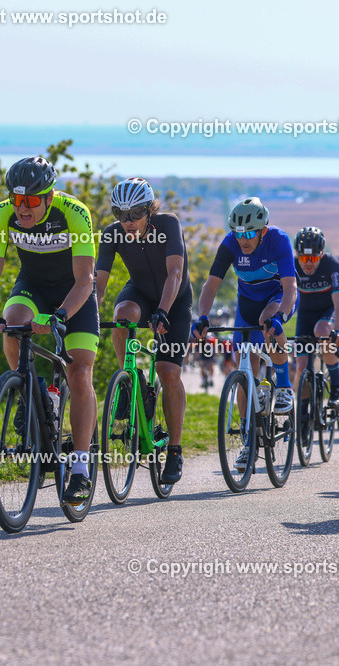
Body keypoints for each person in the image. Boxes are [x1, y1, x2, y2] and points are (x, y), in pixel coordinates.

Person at [0, 156, 99, 504]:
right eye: (17, 200)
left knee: (79, 374)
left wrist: (59, 315)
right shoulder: (2, 214)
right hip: (32, 286)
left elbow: (85, 279)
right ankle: (29, 388)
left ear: (49, 196)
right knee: (11, 321)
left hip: (74, 294)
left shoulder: (73, 212)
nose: (22, 209)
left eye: (31, 201)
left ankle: (79, 470)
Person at [95, 177, 193, 484]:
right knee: (122, 313)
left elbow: (175, 273)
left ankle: (174, 451)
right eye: (119, 214)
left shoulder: (168, 224)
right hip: (139, 292)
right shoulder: (112, 234)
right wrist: (89, 312)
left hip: (174, 301)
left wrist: (163, 310)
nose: (127, 221)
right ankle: (132, 382)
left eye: (134, 213)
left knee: (168, 371)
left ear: (150, 210)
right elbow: (98, 282)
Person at [194, 197, 297, 470]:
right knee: (243, 369)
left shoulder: (279, 240)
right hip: (247, 302)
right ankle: (248, 440)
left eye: (250, 233)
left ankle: (284, 385)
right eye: (239, 233)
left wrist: (281, 316)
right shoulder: (230, 243)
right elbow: (211, 285)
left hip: (277, 297)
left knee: (267, 321)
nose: (243, 239)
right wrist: (202, 316)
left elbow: (290, 288)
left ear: (263, 230)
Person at [291, 227, 339, 416]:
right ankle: (304, 412)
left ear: (321, 254)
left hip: (326, 311)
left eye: (313, 258)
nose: (307, 263)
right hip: (305, 314)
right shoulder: (291, 265)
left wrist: (337, 331)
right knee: (300, 366)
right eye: (303, 258)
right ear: (296, 255)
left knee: (322, 331)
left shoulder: (331, 265)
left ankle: (336, 389)